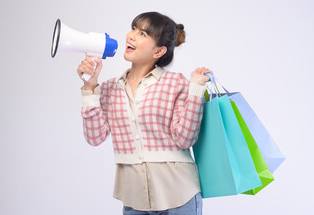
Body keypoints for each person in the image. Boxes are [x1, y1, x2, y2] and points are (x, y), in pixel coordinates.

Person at [77, 11, 212, 215]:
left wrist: (195, 91)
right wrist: (90, 86)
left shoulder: (175, 83)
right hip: (134, 202)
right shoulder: (109, 88)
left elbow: (185, 139)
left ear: (158, 51)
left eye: (142, 34)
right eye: (133, 29)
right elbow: (94, 138)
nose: (131, 36)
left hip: (179, 197)